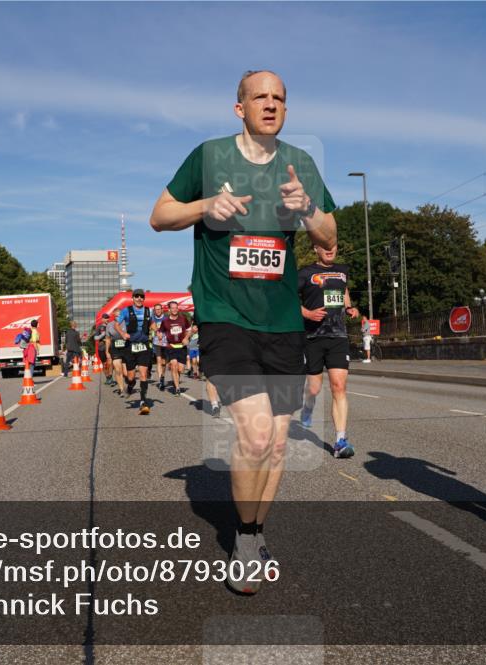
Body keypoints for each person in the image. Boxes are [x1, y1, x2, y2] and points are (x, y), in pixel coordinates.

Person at [149, 70, 337, 594]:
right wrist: (204, 206)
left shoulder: (300, 164)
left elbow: (329, 238)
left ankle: (252, 533)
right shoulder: (208, 157)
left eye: (279, 98)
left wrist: (309, 210)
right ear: (240, 108)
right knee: (254, 434)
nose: (270, 104)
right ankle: (246, 538)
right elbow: (159, 216)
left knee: (275, 445)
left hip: (282, 321)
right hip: (224, 314)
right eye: (260, 97)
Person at [298, 244, 359, 458]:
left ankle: (340, 441)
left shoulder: (342, 270)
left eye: (332, 245)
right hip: (313, 337)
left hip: (338, 337)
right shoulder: (305, 273)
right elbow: (287, 297)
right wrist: (307, 313)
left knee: (339, 387)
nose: (329, 249)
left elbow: (344, 290)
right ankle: (308, 407)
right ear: (316, 248)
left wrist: (349, 307)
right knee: (314, 389)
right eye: (325, 246)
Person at [115, 289, 155, 415]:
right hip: (130, 345)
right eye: (136, 296)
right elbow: (116, 325)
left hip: (143, 345)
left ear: (144, 299)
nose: (139, 298)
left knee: (143, 374)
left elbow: (152, 323)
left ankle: (143, 402)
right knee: (131, 377)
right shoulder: (126, 310)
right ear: (133, 298)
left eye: (141, 297)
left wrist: (156, 330)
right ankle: (130, 386)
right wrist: (122, 333)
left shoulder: (149, 311)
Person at [159, 301, 192, 394]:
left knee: (180, 369)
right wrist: (160, 335)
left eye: (176, 308)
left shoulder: (183, 319)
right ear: (169, 309)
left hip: (182, 347)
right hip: (171, 347)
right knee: (174, 365)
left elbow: (189, 330)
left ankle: (175, 380)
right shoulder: (165, 321)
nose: (174, 309)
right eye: (172, 308)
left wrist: (186, 338)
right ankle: (177, 388)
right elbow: (160, 331)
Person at [105, 311, 127, 395]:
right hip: (115, 348)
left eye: (119, 316)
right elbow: (107, 339)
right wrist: (107, 351)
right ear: (114, 316)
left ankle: (128, 382)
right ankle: (121, 388)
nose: (118, 318)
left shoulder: (126, 322)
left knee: (126, 373)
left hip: (126, 347)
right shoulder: (109, 325)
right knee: (118, 369)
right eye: (116, 316)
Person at [151, 303, 169, 391]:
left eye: (159, 309)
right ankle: (160, 381)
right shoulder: (152, 318)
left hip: (165, 342)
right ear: (154, 311)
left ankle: (163, 376)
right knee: (158, 360)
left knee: (164, 362)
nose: (157, 311)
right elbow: (152, 326)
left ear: (162, 310)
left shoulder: (166, 318)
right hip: (156, 341)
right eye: (156, 309)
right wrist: (157, 332)